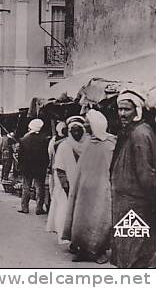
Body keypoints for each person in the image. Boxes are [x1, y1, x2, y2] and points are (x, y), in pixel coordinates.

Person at [110, 90, 156, 268]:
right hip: (127, 204)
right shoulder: (132, 131)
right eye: (120, 109)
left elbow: (146, 174)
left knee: (133, 254)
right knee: (128, 250)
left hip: (135, 205)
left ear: (137, 110)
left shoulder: (140, 134)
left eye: (126, 109)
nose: (122, 114)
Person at [62, 110, 115, 264]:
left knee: (99, 219)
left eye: (87, 122)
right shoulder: (88, 144)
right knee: (81, 220)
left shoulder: (110, 144)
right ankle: (83, 250)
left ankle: (100, 252)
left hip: (100, 190)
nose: (85, 125)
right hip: (84, 191)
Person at [45, 116, 89, 241]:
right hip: (67, 186)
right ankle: (70, 240)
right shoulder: (64, 146)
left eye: (79, 130)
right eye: (73, 130)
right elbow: (59, 168)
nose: (76, 133)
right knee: (66, 212)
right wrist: (66, 186)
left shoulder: (89, 145)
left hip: (85, 185)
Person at [17, 119, 49, 215]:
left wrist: (20, 167)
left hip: (27, 168)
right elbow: (46, 155)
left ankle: (24, 207)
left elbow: (20, 156)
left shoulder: (23, 140)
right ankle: (39, 208)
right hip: (39, 168)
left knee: (26, 187)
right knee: (39, 188)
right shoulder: (44, 140)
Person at [45, 121, 67, 233]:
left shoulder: (54, 141)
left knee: (54, 192)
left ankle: (55, 219)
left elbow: (50, 154)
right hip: (64, 169)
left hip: (55, 168)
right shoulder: (67, 141)